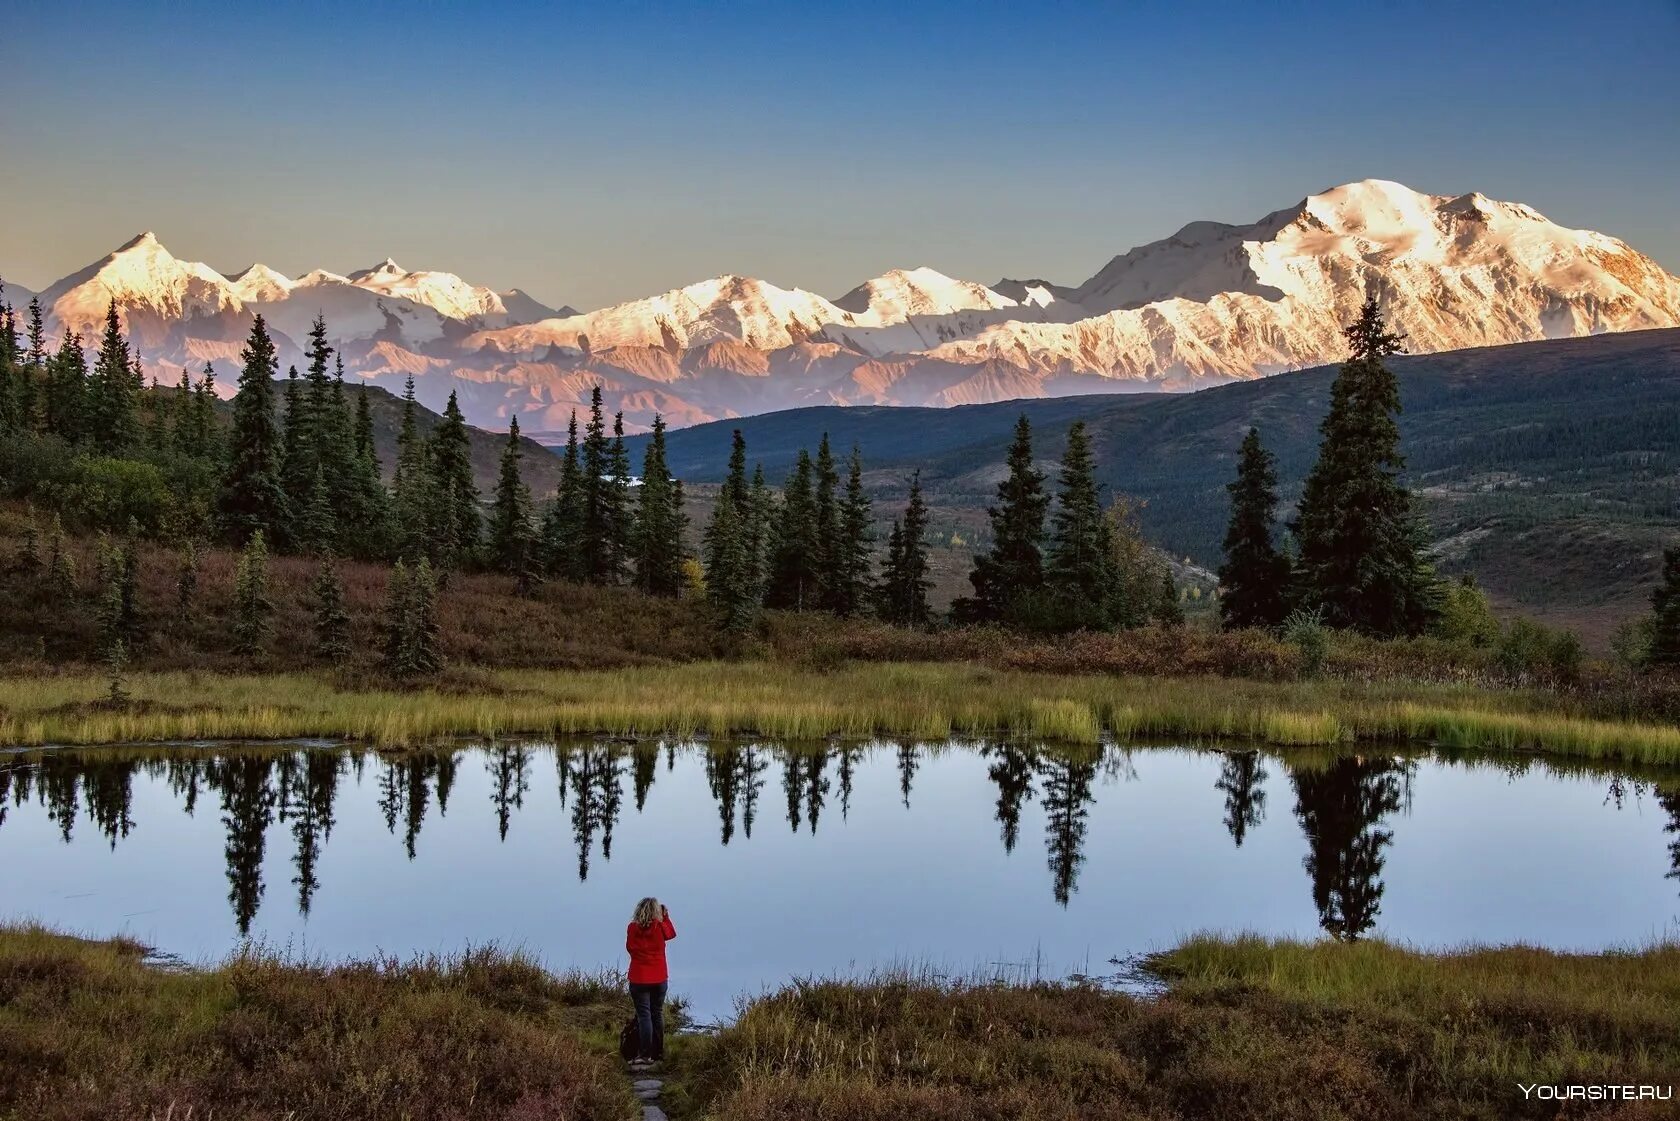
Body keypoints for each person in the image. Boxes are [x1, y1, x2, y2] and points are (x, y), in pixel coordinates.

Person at [625, 896, 676, 1066]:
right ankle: (658, 1052)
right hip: (660, 977)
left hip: (639, 978)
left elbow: (630, 948)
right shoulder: (660, 927)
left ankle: (645, 1055)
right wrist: (665, 917)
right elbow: (671, 934)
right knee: (657, 1013)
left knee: (644, 1015)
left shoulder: (632, 928)